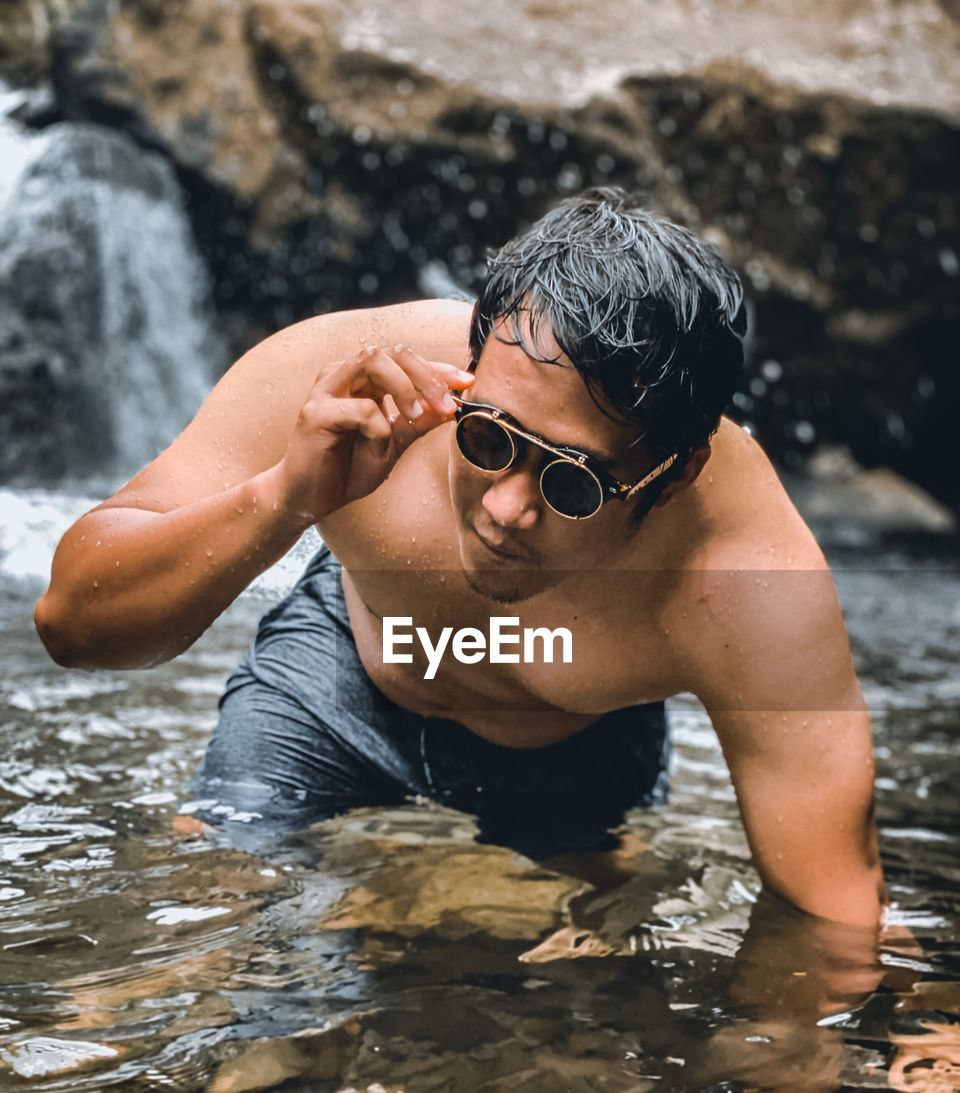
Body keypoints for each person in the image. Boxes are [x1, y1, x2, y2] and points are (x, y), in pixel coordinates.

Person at [34, 188, 885, 929]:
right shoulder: (351, 378)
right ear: (467, 374)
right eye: (487, 439)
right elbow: (73, 625)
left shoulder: (743, 577)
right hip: (348, 663)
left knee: (575, 1014)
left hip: (578, 751)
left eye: (574, 484)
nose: (509, 509)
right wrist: (285, 498)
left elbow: (836, 908)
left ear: (673, 474)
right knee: (209, 924)